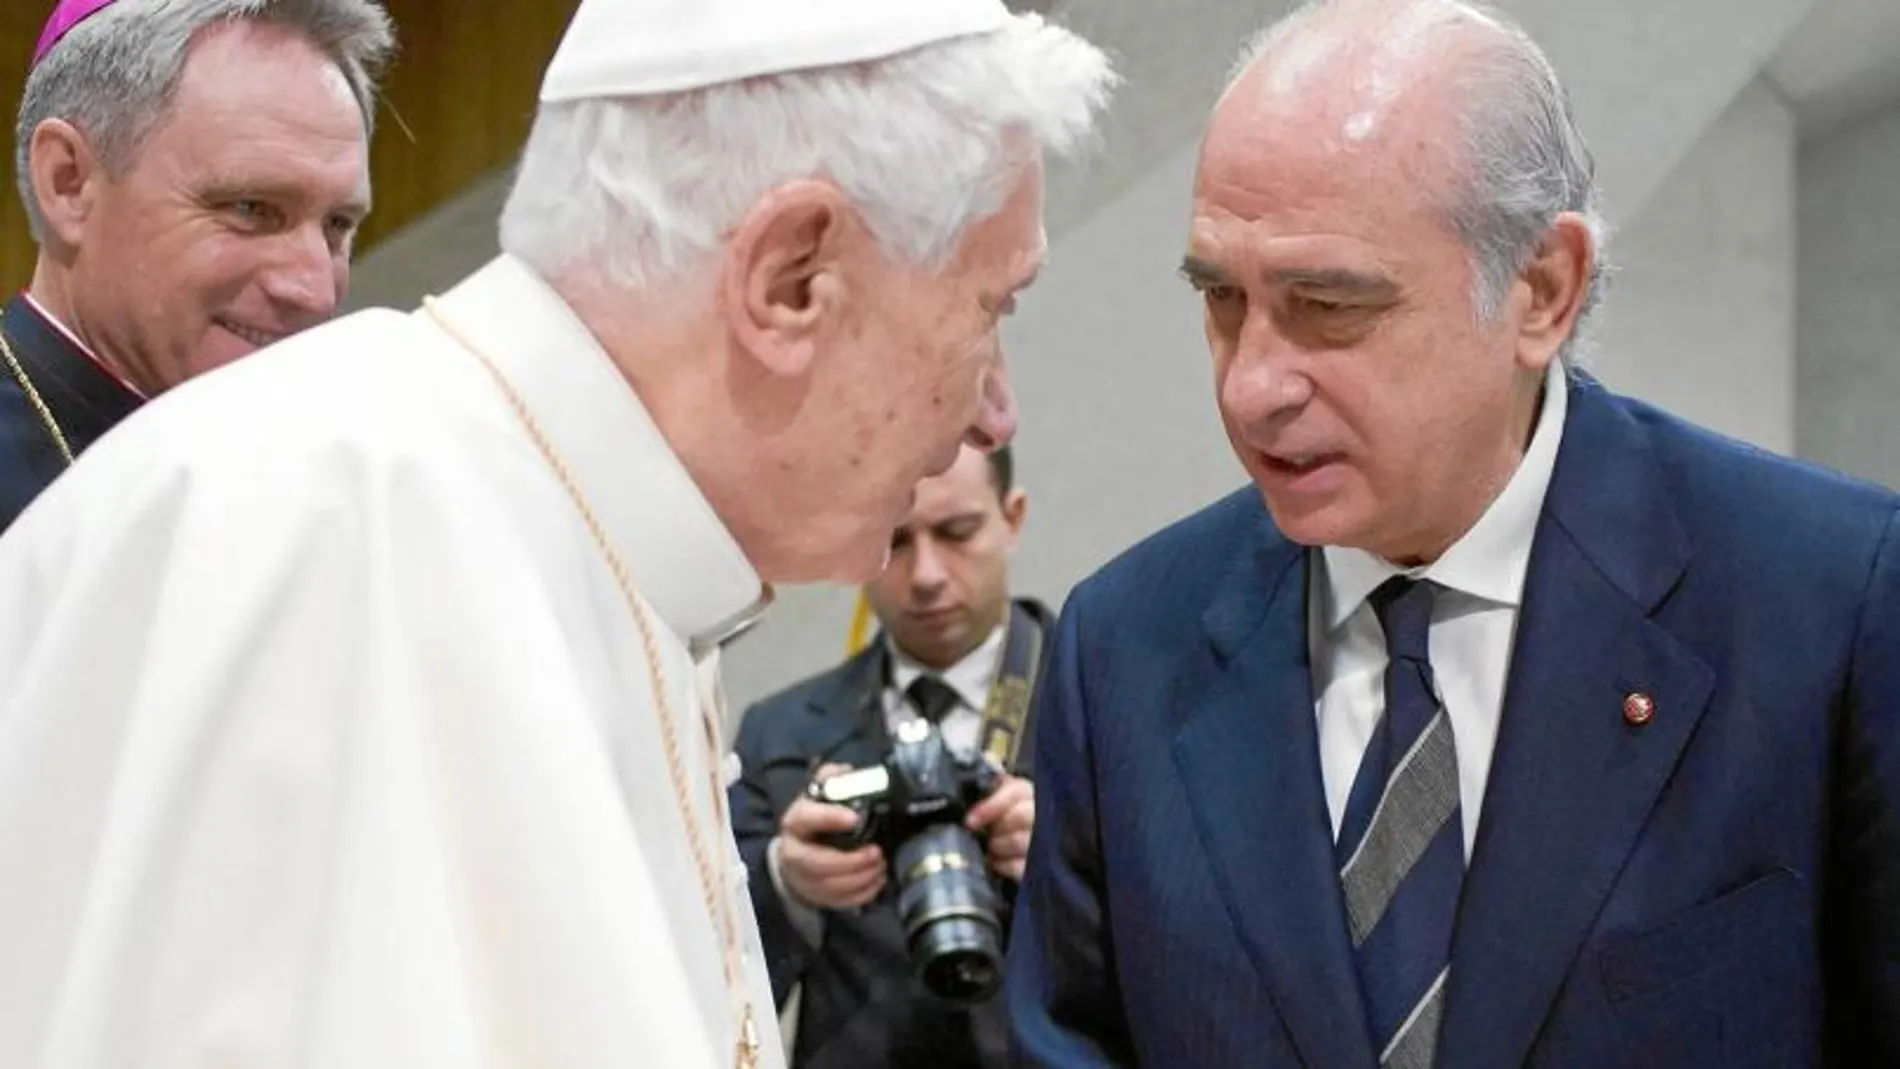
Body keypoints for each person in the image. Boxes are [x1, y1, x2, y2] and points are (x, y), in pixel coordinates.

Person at [0, 0, 1116, 1064]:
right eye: (988, 310)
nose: (994, 409)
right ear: (788, 278)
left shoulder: (592, 548)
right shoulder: (320, 527)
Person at [1003, 1, 1899, 1067]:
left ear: (1540, 290)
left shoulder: (1827, 600)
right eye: (1221, 300)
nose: (1250, 387)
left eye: (1328, 305)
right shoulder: (1121, 649)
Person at [0, 0, 392, 531]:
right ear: (69, 183)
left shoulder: (336, 483)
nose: (315, 290)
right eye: (251, 209)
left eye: (337, 225)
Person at [730, 442, 1052, 1069]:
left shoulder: (1100, 700)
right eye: (895, 541)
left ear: (1012, 519)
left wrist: (1074, 866)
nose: (928, 574)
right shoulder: (782, 735)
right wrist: (784, 885)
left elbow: (1201, 957)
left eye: (957, 533)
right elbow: (707, 985)